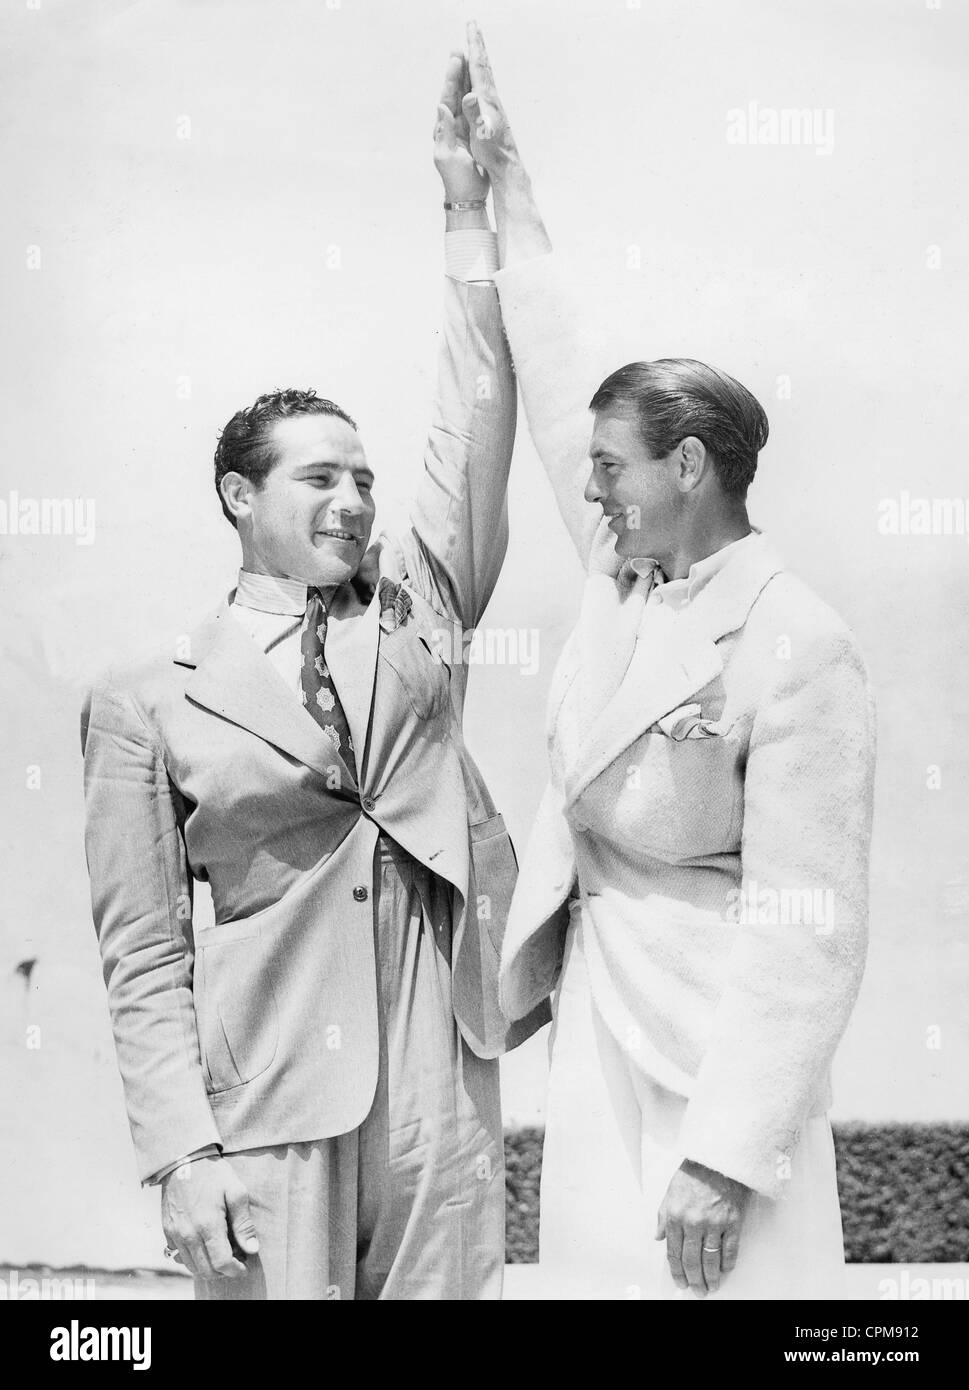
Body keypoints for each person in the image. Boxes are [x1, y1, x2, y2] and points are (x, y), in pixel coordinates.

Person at [80, 53, 548, 1302]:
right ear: (240, 496)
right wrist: (181, 1150)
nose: (353, 500)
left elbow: (476, 413)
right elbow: (141, 953)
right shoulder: (147, 694)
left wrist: (466, 211)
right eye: (317, 478)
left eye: (364, 479)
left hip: (438, 1078)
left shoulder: (421, 613)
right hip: (266, 1104)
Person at [462, 22, 877, 1299]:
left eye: (611, 470)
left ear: (687, 466)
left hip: (724, 1057)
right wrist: (495, 193)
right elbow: (552, 374)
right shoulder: (617, 575)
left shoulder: (800, 638)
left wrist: (728, 1152)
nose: (590, 493)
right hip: (596, 1011)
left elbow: (812, 927)